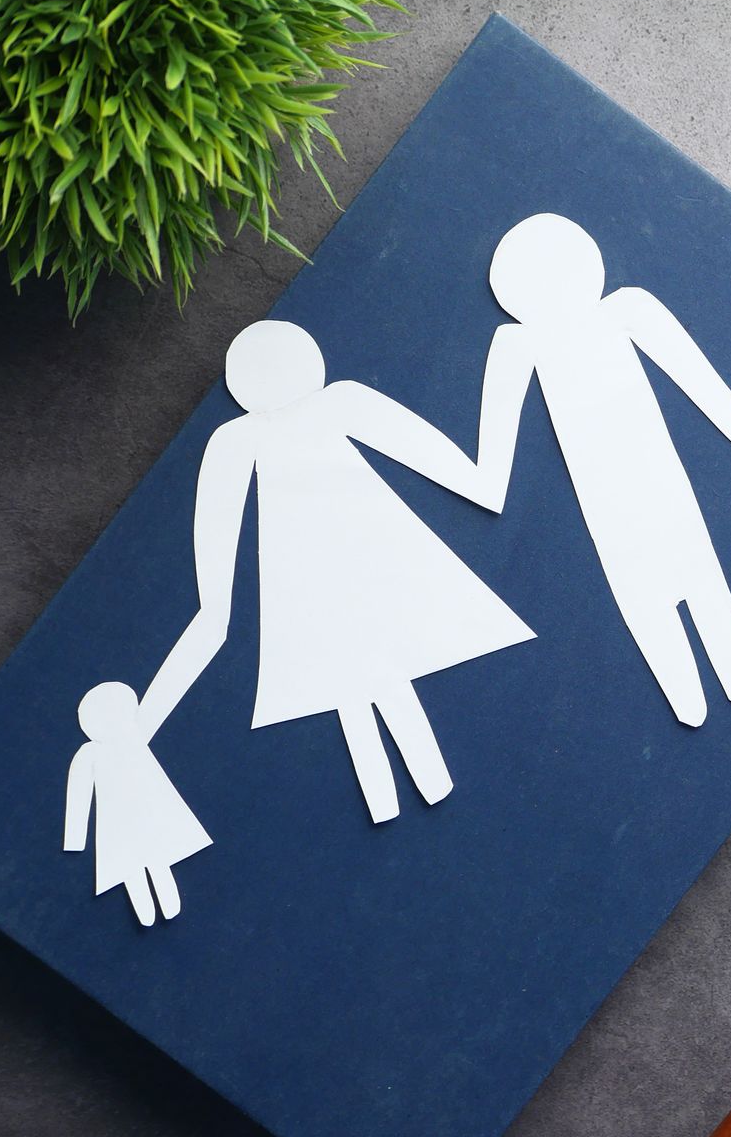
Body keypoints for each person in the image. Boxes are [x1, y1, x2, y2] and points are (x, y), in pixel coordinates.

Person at [140, 320, 533, 825]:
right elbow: (216, 554)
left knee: (363, 668)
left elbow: (422, 450)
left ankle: (415, 790)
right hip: (316, 569)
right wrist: (483, 479)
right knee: (360, 669)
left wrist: (481, 482)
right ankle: (407, 792)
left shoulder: (283, 421)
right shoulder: (249, 434)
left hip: (347, 559)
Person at [472, 213, 731, 726]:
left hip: (657, 478)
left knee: (694, 576)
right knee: (649, 593)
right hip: (606, 497)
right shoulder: (519, 343)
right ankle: (694, 704)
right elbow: (492, 462)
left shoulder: (625, 309)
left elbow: (699, 378)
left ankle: (728, 689)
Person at [63, 682, 212, 926]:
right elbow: (78, 793)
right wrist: (75, 839)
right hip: (118, 823)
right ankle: (148, 912)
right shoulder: (93, 752)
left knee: (154, 859)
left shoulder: (132, 737)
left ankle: (166, 906)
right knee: (132, 868)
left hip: (142, 815)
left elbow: (164, 699)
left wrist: (75, 840)